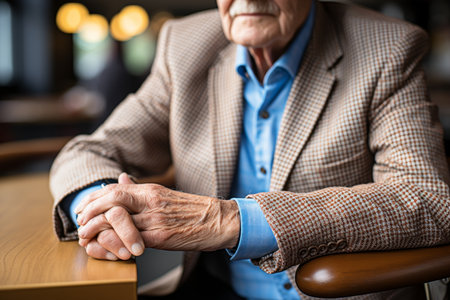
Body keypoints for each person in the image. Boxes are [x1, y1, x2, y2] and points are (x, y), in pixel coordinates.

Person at [50, 0, 450, 299]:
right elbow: (87, 151)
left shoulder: (388, 46)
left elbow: (428, 198)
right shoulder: (185, 44)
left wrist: (228, 220)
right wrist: (105, 208)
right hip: (212, 289)